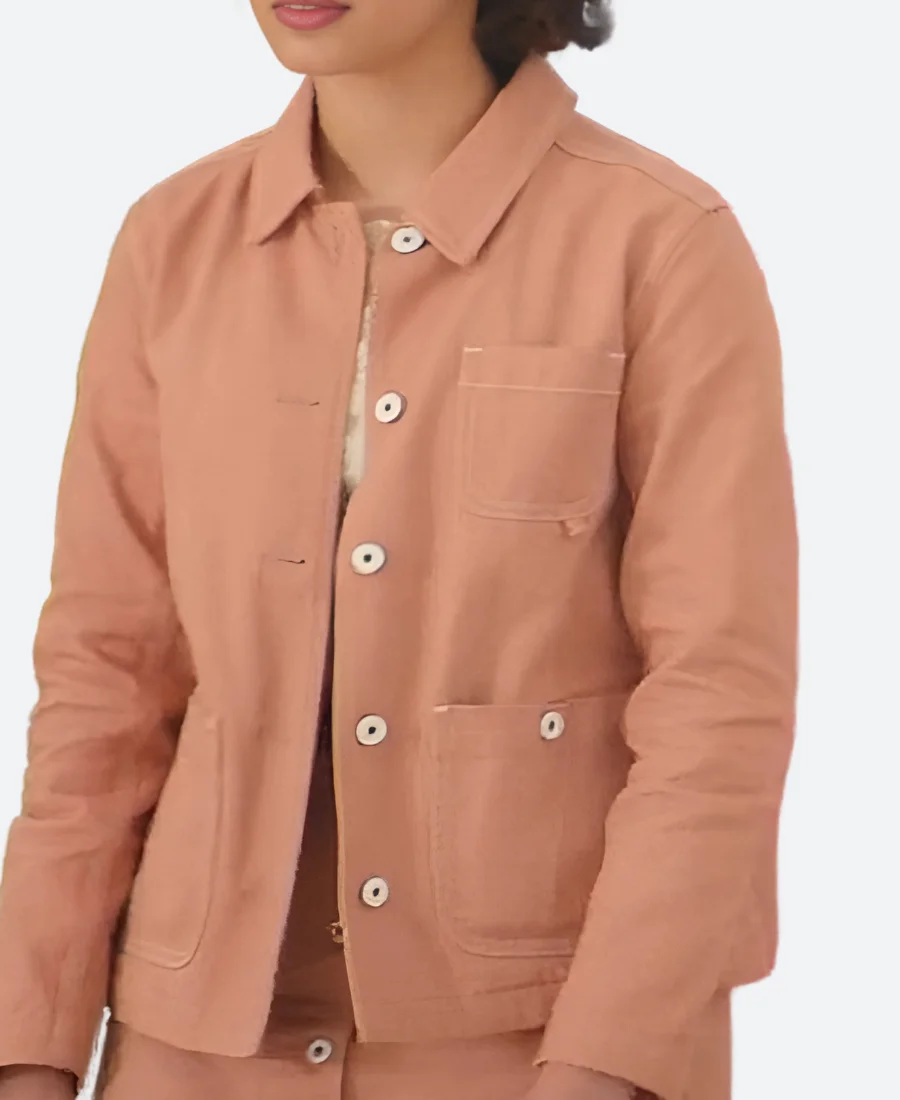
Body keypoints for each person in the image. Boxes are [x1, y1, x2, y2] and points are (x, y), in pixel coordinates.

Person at [0, 0, 798, 1098]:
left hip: (535, 1039)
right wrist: (29, 1045)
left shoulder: (656, 239)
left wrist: (606, 1060)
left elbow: (717, 696)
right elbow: (105, 675)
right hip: (192, 1044)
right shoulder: (171, 241)